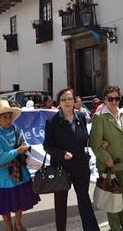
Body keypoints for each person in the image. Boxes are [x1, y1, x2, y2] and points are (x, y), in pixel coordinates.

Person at [44, 88, 99, 231]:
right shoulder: (52, 122)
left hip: (80, 166)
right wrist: (62, 153)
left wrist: (97, 143)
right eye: (63, 99)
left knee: (84, 201)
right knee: (61, 205)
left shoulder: (80, 116)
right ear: (59, 103)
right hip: (61, 169)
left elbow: (84, 138)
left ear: (74, 101)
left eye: (70, 99)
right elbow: (47, 146)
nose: (67, 102)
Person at [0, 100, 39, 231]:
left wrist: (23, 146)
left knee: (19, 202)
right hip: (1, 177)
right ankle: (8, 227)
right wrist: (17, 151)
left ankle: (17, 224)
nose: (8, 119)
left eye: (9, 116)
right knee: (4, 206)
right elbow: (0, 159)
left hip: (18, 171)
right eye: (4, 117)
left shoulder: (16, 129)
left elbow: (23, 142)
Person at [90, 85, 123, 231]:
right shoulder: (99, 117)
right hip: (110, 164)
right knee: (113, 194)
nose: (114, 102)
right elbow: (95, 144)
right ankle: (115, 226)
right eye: (111, 99)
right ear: (105, 100)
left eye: (117, 98)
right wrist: (106, 157)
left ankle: (122, 220)